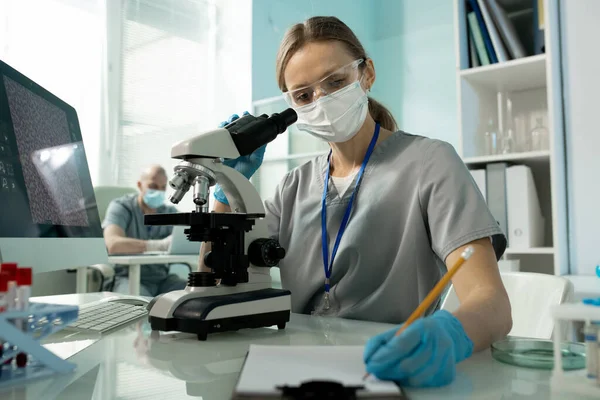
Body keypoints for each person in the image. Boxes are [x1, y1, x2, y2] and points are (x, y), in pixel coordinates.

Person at [205, 16, 512, 387]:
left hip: (389, 367)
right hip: (297, 370)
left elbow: (492, 304)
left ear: (366, 74)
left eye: (335, 82)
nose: (322, 101)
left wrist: (449, 335)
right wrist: (227, 188)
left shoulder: (430, 163)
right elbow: (216, 283)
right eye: (303, 95)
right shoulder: (293, 187)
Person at [103, 165, 186, 296]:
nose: (158, 191)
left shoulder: (169, 213)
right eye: (153, 186)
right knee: (136, 307)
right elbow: (113, 244)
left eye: (162, 188)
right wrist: (159, 246)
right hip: (129, 277)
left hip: (163, 280)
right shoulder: (122, 207)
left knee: (192, 296)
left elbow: (189, 237)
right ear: (140, 185)